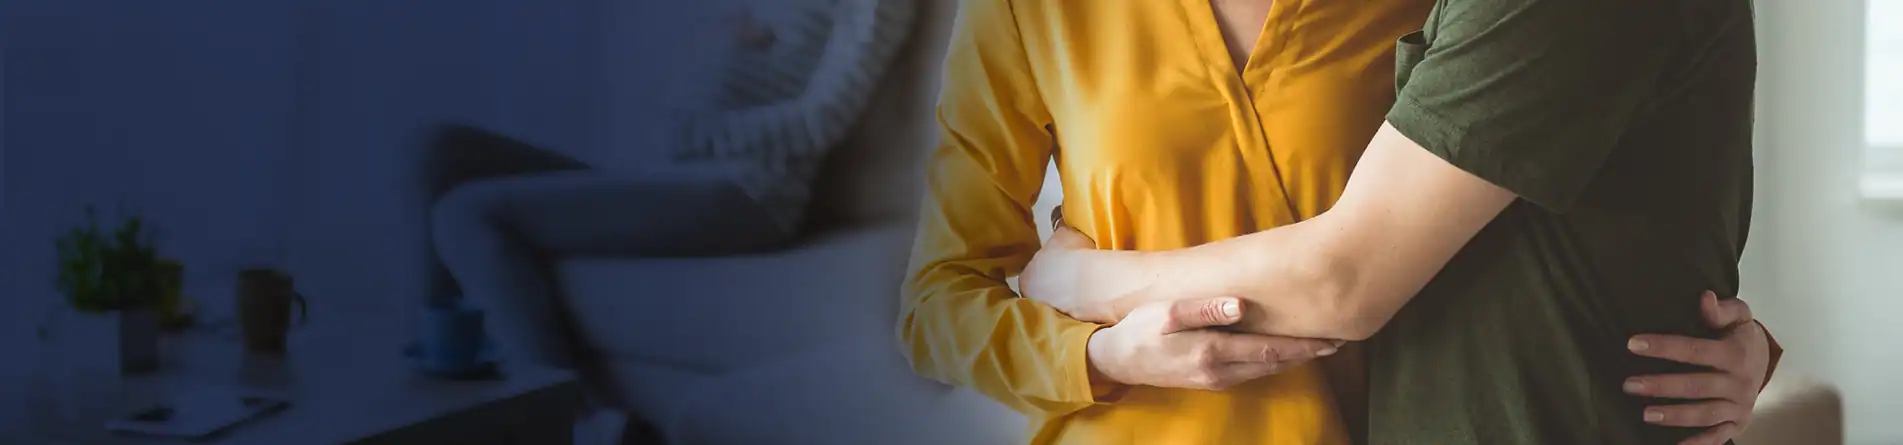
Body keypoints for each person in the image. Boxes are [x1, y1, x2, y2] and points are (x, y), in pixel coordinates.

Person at [898, 0, 1777, 444]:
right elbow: (935, 303)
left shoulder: (1433, 6)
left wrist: (1732, 344)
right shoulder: (1028, 10)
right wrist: (1094, 353)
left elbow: (1548, 211)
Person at [427, 0, 912, 371]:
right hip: (661, 168)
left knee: (467, 213)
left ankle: (542, 413)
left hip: (745, 191)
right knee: (438, 150)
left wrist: (690, 133)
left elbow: (821, 122)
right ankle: (437, 365)